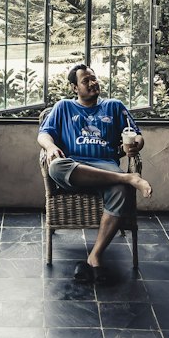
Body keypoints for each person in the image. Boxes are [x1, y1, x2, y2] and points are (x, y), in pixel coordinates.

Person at [37, 63, 151, 281]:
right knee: (55, 166)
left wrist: (136, 144)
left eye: (93, 78)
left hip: (105, 164)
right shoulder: (63, 107)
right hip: (75, 167)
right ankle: (127, 178)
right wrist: (51, 147)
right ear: (74, 88)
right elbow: (43, 135)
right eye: (85, 80)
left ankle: (94, 257)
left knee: (120, 191)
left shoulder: (114, 106)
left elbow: (136, 134)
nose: (92, 83)